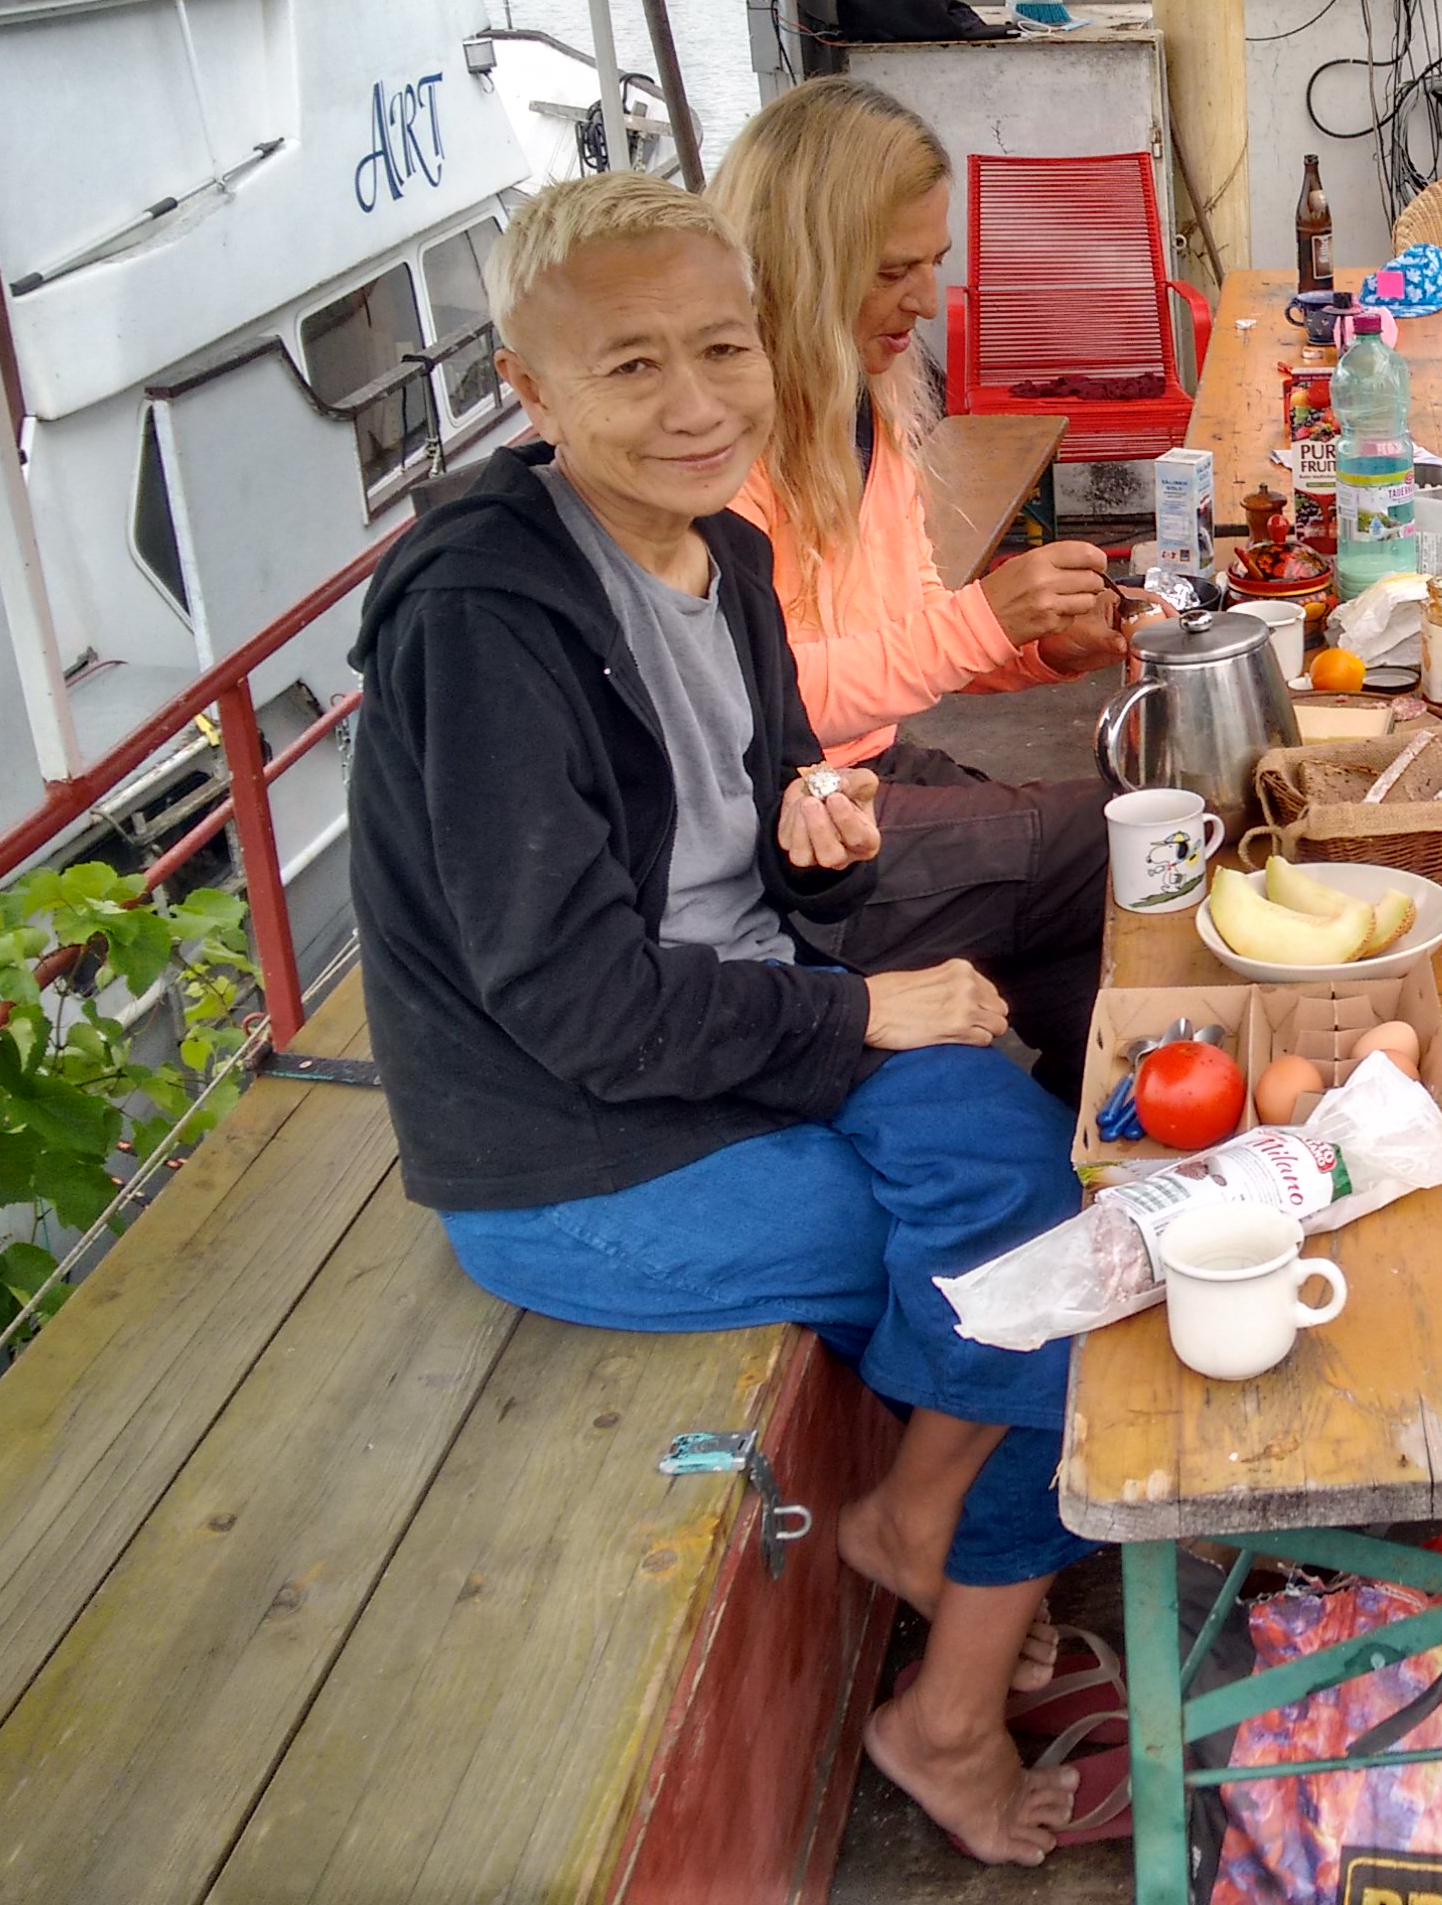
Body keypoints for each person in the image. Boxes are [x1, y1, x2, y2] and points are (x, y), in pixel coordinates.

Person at [347, 174, 1107, 1865]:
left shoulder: (728, 555)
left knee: (1036, 1176)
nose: (693, 403)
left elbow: (765, 853)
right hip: (575, 1153)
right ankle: (942, 1716)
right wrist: (856, 1009)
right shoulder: (485, 614)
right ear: (529, 395)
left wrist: (820, 857)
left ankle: (920, 1518)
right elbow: (572, 998)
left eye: (719, 348)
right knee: (1035, 1284)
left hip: (746, 1026)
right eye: (628, 369)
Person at [711, 80, 1131, 1104]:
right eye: (892, 271)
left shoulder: (858, 403)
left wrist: (1038, 651)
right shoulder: (719, 451)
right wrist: (985, 619)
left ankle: (1100, 1130)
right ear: (802, 269)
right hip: (795, 830)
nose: (927, 300)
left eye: (935, 264)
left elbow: (906, 626)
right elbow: (754, 710)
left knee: (1099, 924)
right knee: (1142, 828)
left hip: (872, 763)